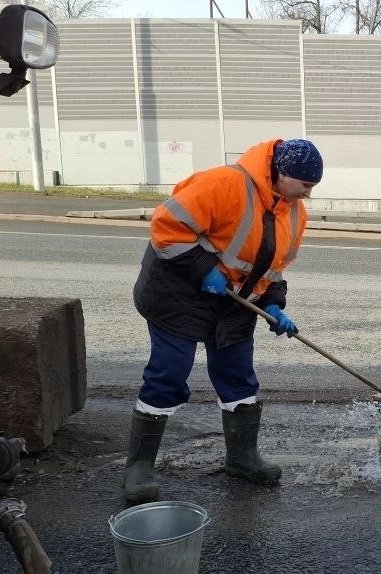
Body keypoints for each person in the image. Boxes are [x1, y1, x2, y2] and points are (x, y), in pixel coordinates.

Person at [123, 138, 323, 503]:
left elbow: (274, 270)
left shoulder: (295, 211)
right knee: (169, 372)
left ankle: (243, 458)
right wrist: (204, 268)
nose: (309, 193)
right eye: (305, 185)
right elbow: (167, 227)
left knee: (238, 376)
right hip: (177, 293)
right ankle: (138, 468)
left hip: (233, 301)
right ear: (281, 173)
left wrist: (274, 305)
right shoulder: (224, 183)